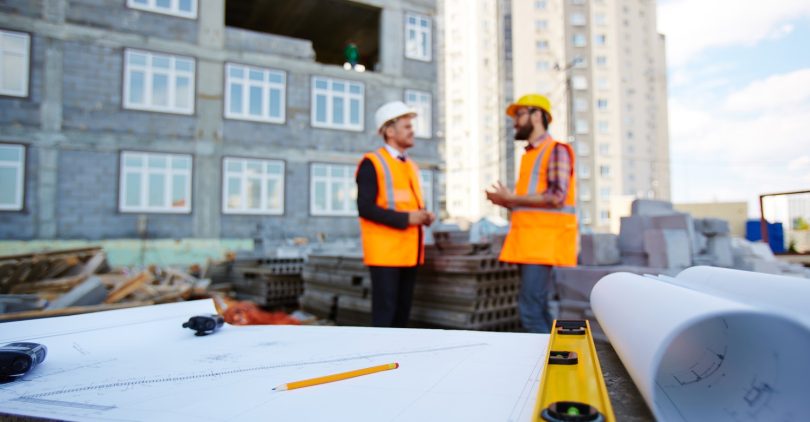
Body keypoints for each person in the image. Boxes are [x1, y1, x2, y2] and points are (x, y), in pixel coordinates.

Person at [485, 94, 578, 333]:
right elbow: (531, 204)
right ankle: (552, 361)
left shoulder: (556, 150)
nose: (515, 121)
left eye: (519, 114)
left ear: (537, 115)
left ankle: (543, 366)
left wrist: (512, 198)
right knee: (538, 307)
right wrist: (506, 202)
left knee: (530, 310)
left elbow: (557, 197)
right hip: (530, 243)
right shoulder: (530, 155)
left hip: (543, 243)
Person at [356, 101, 435, 327]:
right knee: (385, 316)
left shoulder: (411, 165)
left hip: (409, 252)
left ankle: (398, 361)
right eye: (407, 126)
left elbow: (407, 202)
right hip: (385, 254)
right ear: (390, 131)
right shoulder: (372, 163)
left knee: (401, 316)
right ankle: (382, 359)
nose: (413, 131)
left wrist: (423, 216)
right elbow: (365, 208)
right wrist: (408, 219)